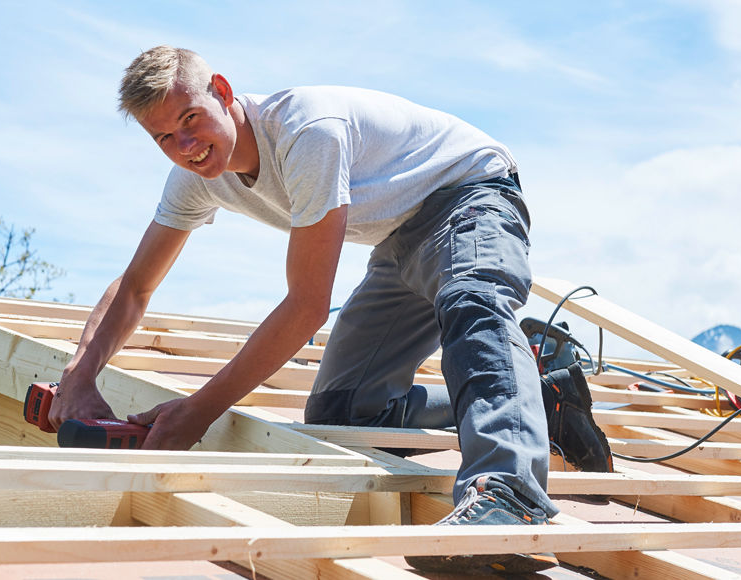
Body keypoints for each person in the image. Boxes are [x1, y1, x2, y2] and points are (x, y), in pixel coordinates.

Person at [51, 46, 559, 574]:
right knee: (343, 413)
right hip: (398, 237)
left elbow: (307, 304)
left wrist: (198, 410)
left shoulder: (306, 132)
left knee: (471, 302)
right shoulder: (196, 179)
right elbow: (135, 287)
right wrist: (79, 375)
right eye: (164, 138)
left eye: (191, 119)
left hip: (469, 194)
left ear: (222, 93)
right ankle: (537, 400)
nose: (185, 146)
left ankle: (509, 497)